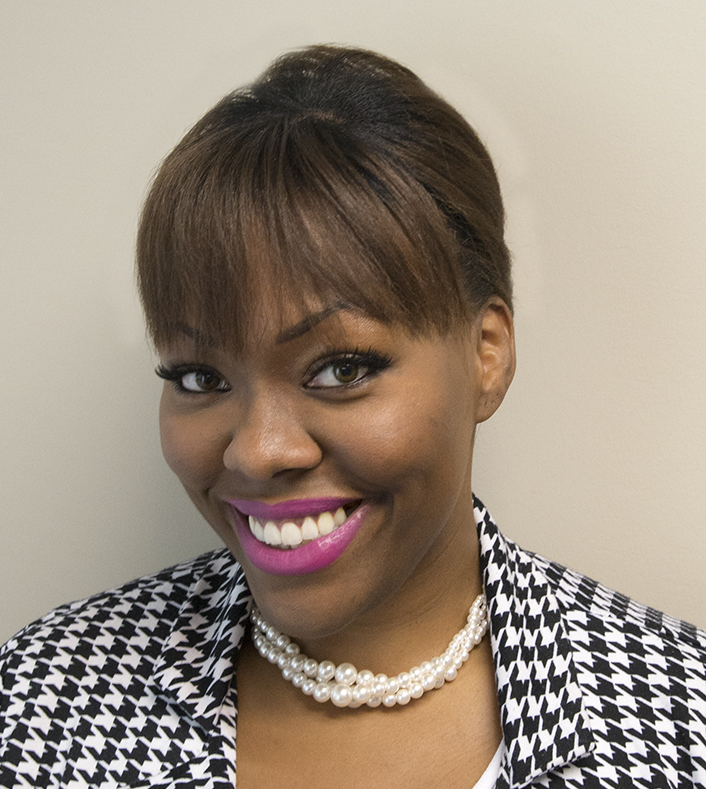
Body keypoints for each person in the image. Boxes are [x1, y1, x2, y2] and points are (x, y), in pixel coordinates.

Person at [1, 44, 705, 789]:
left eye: (342, 369)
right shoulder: (41, 702)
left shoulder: (679, 722)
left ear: (486, 354)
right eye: (200, 376)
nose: (258, 451)